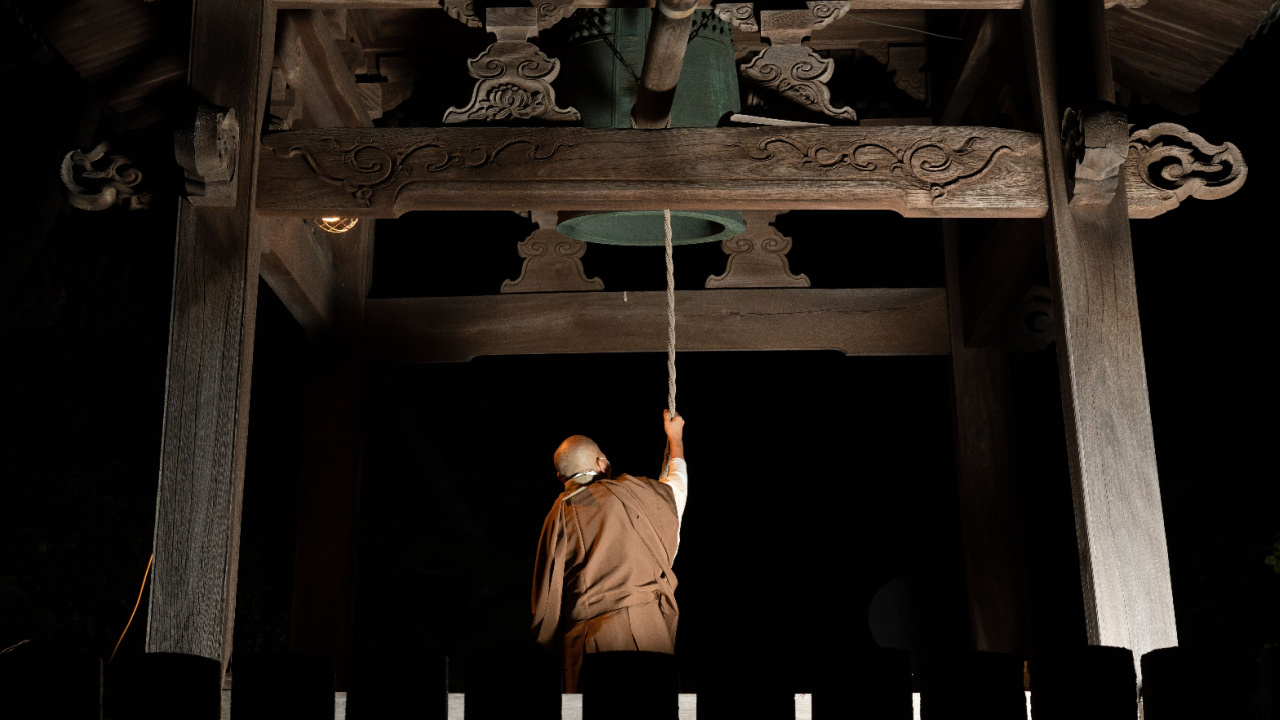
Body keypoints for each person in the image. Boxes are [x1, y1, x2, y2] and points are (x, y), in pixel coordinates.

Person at [531, 410, 688, 692]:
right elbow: (676, 492)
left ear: (560, 476)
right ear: (602, 464)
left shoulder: (555, 517)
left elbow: (545, 605)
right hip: (645, 633)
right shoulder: (631, 492)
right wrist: (675, 439)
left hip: (585, 646)